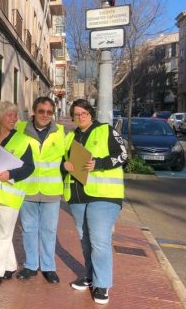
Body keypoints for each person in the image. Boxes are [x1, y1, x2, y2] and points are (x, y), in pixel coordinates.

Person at [0, 96, 65, 284]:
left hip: (50, 190)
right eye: (41, 111)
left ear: (53, 114)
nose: (45, 115)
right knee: (28, 230)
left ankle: (48, 267)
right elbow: (3, 124)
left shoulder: (61, 132)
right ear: (34, 113)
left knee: (49, 230)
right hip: (27, 190)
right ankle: (30, 265)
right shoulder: (21, 128)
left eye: (49, 112)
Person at [63, 99, 127, 305]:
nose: (80, 117)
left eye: (84, 113)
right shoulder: (70, 136)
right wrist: (65, 166)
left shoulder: (106, 130)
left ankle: (102, 284)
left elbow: (123, 155)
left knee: (99, 240)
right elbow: (62, 162)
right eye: (77, 114)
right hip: (78, 196)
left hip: (104, 195)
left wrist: (98, 163)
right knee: (85, 240)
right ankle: (90, 276)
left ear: (91, 114)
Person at [0, 101, 34, 284]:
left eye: (15, 115)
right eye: (10, 115)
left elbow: (29, 167)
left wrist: (11, 174)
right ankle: (10, 264)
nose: (14, 118)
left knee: (4, 232)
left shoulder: (22, 140)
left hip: (11, 193)